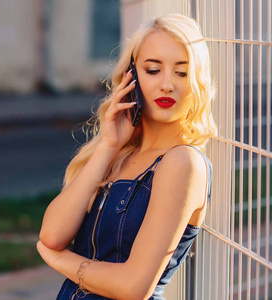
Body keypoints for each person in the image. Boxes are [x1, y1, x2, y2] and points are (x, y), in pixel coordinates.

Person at [37, 14, 216, 300]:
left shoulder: (183, 163)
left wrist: (60, 260)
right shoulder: (119, 153)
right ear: (130, 76)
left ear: (197, 81)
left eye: (182, 72)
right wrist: (108, 146)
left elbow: (134, 287)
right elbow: (52, 235)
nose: (167, 84)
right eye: (153, 70)